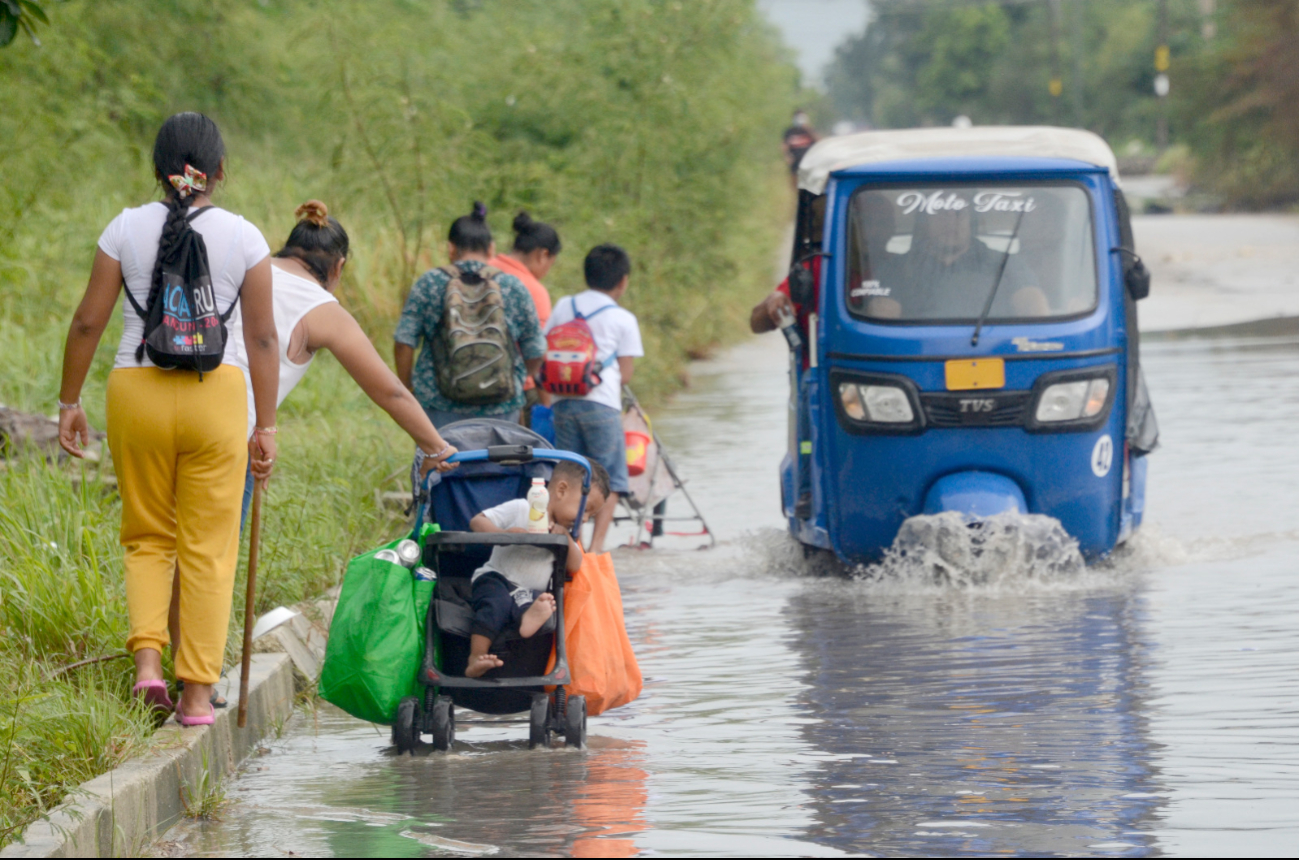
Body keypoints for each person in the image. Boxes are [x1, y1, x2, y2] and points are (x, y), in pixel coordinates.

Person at [56, 112, 279, 726]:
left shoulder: (124, 228)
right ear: (220, 172)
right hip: (218, 396)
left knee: (147, 535)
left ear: (156, 170)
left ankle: (149, 666)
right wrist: (266, 425)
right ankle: (198, 696)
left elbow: (86, 322)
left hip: (137, 391)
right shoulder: (246, 237)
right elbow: (262, 340)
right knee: (208, 549)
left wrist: (68, 401)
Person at [394, 202, 545, 427]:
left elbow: (404, 341)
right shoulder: (512, 286)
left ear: (451, 248)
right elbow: (536, 350)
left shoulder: (430, 283)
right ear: (491, 249)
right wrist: (516, 376)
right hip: (502, 408)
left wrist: (408, 388)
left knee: (441, 461)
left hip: (439, 406)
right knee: (499, 462)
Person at [463, 460, 610, 678]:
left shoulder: (563, 533)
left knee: (541, 601)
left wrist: (565, 539)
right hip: (496, 578)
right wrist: (503, 535)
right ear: (561, 489)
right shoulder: (522, 508)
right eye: (585, 510)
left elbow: (576, 565)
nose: (585, 519)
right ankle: (476, 656)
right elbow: (477, 521)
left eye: (590, 516)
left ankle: (527, 620)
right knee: (496, 603)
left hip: (527, 591)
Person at [544, 244, 643, 554]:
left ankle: (574, 543)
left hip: (563, 401)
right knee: (608, 476)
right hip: (601, 403)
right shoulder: (623, 318)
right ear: (623, 281)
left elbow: (547, 347)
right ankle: (597, 550)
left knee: (569, 473)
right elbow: (625, 374)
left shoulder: (564, 305)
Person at [865, 204, 1048, 320]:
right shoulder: (897, 268)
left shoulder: (1005, 263)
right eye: (941, 213)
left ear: (971, 222)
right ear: (925, 221)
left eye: (959, 213)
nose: (950, 221)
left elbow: (1033, 306)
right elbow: (883, 318)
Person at [489, 211, 562, 428]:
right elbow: (537, 354)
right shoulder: (533, 289)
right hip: (517, 391)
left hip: (467, 381)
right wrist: (547, 407)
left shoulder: (484, 266)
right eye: (551, 263)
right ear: (543, 255)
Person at [782, 109, 819, 183]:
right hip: (795, 160)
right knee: (794, 180)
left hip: (809, 160)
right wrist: (787, 156)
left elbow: (818, 141)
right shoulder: (790, 131)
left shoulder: (810, 130)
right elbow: (784, 145)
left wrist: (807, 129)